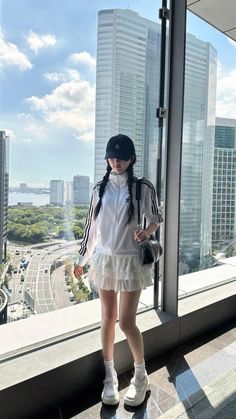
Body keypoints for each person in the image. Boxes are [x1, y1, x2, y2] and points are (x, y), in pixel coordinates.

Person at [74, 134, 163, 407]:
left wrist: (146, 232)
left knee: (126, 322)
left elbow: (157, 217)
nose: (117, 161)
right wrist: (81, 259)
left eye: (122, 157)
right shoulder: (99, 189)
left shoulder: (142, 187)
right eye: (112, 156)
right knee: (107, 318)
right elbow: (92, 229)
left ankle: (140, 375)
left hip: (130, 260)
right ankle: (109, 377)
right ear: (107, 158)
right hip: (104, 260)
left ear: (131, 159)